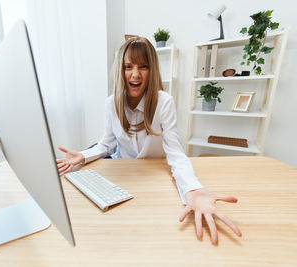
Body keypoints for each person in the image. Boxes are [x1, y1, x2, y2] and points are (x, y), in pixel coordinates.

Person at [56, 37, 241, 244]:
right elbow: (106, 144)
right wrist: (83, 155)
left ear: (152, 70)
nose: (135, 74)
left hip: (155, 178)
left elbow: (176, 154)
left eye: (143, 66)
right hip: (124, 177)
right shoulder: (111, 103)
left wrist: (193, 189)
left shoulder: (164, 102)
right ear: (120, 70)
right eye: (128, 67)